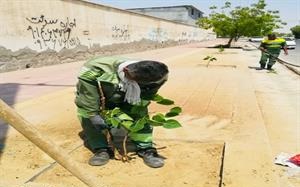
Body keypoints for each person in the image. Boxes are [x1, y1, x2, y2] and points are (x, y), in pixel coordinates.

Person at [75, 56, 169, 168]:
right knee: (88, 116)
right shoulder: (95, 68)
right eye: (137, 82)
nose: (140, 85)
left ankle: (146, 148)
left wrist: (135, 111)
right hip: (100, 97)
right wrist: (93, 114)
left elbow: (148, 94)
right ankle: (101, 149)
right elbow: (88, 95)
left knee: (140, 115)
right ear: (125, 71)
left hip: (131, 97)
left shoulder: (158, 76)